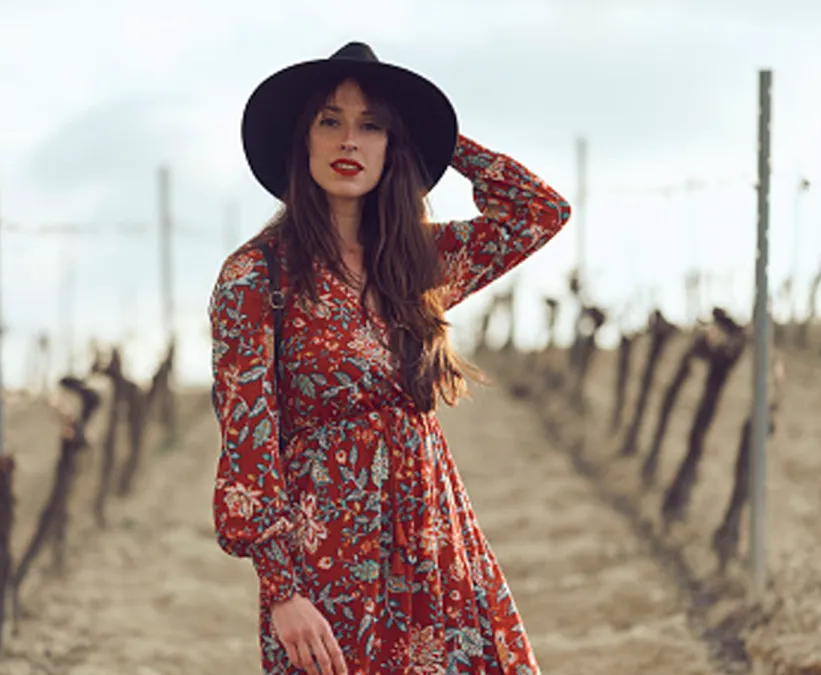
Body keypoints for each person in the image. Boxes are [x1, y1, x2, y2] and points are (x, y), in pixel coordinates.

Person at [208, 41, 571, 674]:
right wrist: (282, 592)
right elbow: (248, 440)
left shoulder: (416, 261)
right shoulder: (255, 276)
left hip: (433, 538)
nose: (350, 141)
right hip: (326, 563)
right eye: (331, 121)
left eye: (371, 125)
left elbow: (538, 213)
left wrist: (438, 137)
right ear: (303, 141)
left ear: (391, 146)